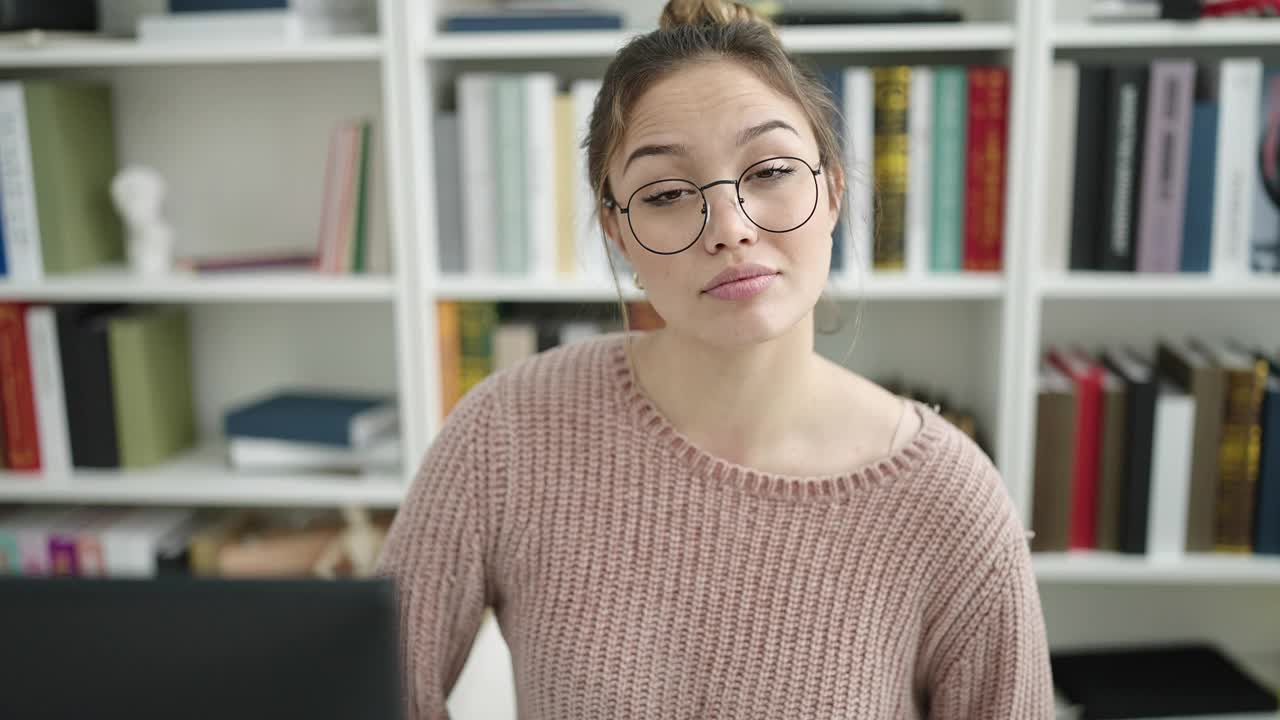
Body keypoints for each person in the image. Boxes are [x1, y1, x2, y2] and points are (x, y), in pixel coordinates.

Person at [377, 0, 1055, 717]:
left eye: (769, 171)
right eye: (668, 193)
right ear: (617, 232)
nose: (729, 227)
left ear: (832, 188)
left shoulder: (951, 501)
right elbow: (373, 691)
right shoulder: (509, 431)